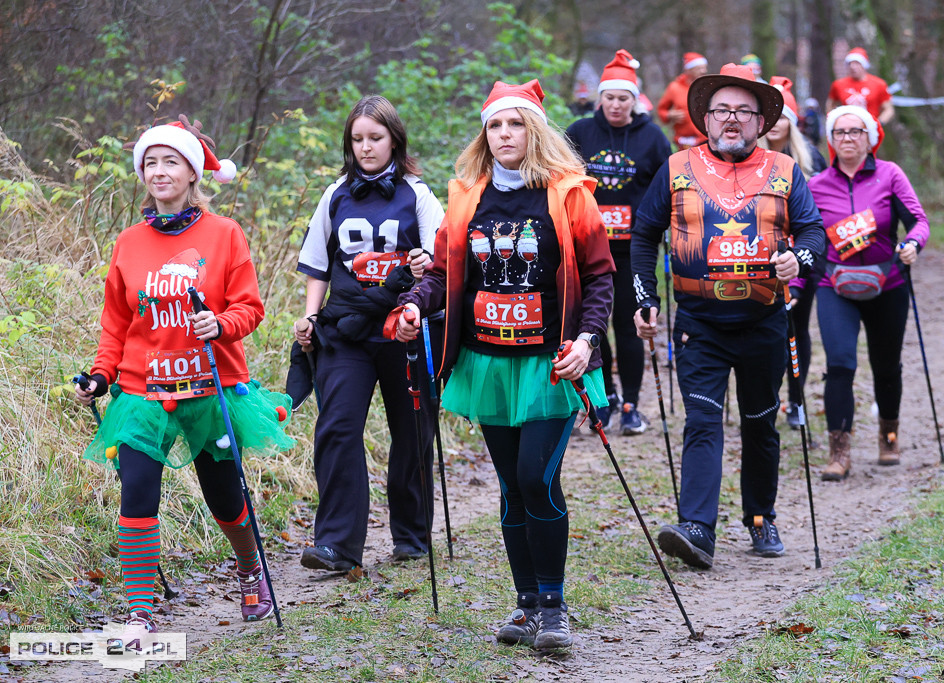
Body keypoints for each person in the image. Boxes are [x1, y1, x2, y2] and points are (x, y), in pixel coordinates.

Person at [393, 79, 614, 649]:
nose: (504, 134)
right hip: (489, 362)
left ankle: (555, 606)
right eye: (495, 125)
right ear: (484, 134)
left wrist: (589, 340)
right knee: (511, 488)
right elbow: (443, 273)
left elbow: (599, 276)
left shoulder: (568, 195)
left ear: (534, 130)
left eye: (515, 124)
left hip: (553, 362)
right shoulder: (468, 196)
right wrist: (416, 306)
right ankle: (525, 606)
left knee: (535, 479)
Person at [74, 116, 294, 638]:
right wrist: (101, 377)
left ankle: (249, 569)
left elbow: (250, 308)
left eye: (170, 160)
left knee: (224, 498)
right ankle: (139, 613)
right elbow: (117, 324)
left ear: (194, 172)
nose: (158, 170)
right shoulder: (129, 243)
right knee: (138, 496)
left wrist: (218, 323)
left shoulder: (224, 235)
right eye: (149, 162)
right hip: (143, 394)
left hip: (209, 391)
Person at [631, 64, 826, 570]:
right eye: (722, 111)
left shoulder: (784, 169)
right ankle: (697, 527)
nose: (732, 120)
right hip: (700, 324)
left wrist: (796, 261)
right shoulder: (675, 168)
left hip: (764, 321)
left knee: (761, 423)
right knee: (701, 420)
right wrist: (643, 296)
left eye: (743, 111)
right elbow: (642, 235)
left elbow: (813, 235)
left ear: (761, 121)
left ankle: (761, 517)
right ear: (706, 119)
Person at [294, 95, 445, 573]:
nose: (365, 147)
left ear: (395, 140)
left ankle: (412, 535)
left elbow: (442, 263)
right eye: (357, 139)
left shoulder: (418, 194)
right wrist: (310, 318)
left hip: (403, 329)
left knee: (412, 432)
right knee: (337, 427)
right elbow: (319, 264)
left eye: (375, 138)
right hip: (347, 331)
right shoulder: (335, 193)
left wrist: (424, 265)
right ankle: (337, 544)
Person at [808, 105, 929, 480]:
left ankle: (888, 435)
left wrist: (912, 244)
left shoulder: (890, 175)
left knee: (886, 366)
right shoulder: (816, 185)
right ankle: (839, 453)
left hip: (887, 283)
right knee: (840, 364)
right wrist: (796, 285)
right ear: (831, 140)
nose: (847, 138)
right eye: (840, 132)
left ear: (870, 137)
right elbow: (806, 238)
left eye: (855, 131)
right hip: (834, 285)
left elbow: (919, 221)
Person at [566, 49, 672, 434]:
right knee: (592, 327)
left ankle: (631, 404)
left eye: (622, 98)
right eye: (609, 97)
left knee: (630, 326)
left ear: (634, 100)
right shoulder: (580, 132)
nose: (615, 104)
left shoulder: (652, 137)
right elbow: (561, 178)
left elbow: (668, 186)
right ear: (600, 98)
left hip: (634, 249)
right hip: (588, 247)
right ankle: (603, 398)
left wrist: (664, 226)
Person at [763, 76, 829, 429]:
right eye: (770, 119)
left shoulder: (811, 158)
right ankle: (767, 397)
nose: (776, 126)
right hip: (761, 256)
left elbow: (822, 213)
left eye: (783, 118)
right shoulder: (750, 157)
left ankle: (796, 399)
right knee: (768, 329)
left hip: (803, 257)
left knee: (797, 326)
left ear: (792, 122)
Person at [827, 47, 894, 124]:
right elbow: (830, 105)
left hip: (870, 127)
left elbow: (889, 109)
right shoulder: (838, 84)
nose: (852, 67)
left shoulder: (879, 84)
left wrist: (878, 123)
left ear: (864, 65)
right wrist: (834, 122)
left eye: (857, 63)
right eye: (850, 63)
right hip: (847, 129)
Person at [658, 52, 709, 151]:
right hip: (683, 142)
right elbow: (661, 111)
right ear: (688, 70)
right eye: (699, 68)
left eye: (705, 68)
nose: (704, 71)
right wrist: (669, 115)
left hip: (705, 139)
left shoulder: (707, 86)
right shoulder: (674, 87)